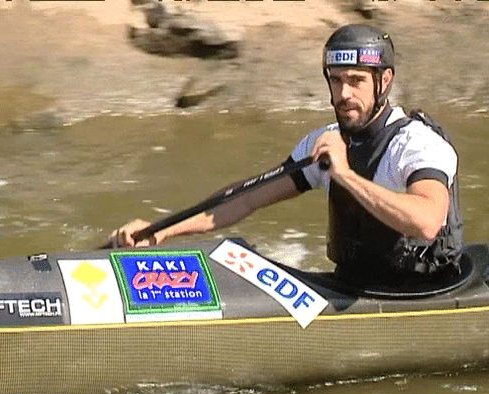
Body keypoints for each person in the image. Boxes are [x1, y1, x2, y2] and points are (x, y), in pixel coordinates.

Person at [108, 24, 463, 289]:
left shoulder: (416, 144)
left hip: (420, 291)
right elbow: (244, 199)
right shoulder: (324, 142)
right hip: (352, 283)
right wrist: (160, 232)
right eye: (336, 80)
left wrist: (346, 176)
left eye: (356, 81)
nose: (344, 94)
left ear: (384, 82)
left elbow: (427, 221)